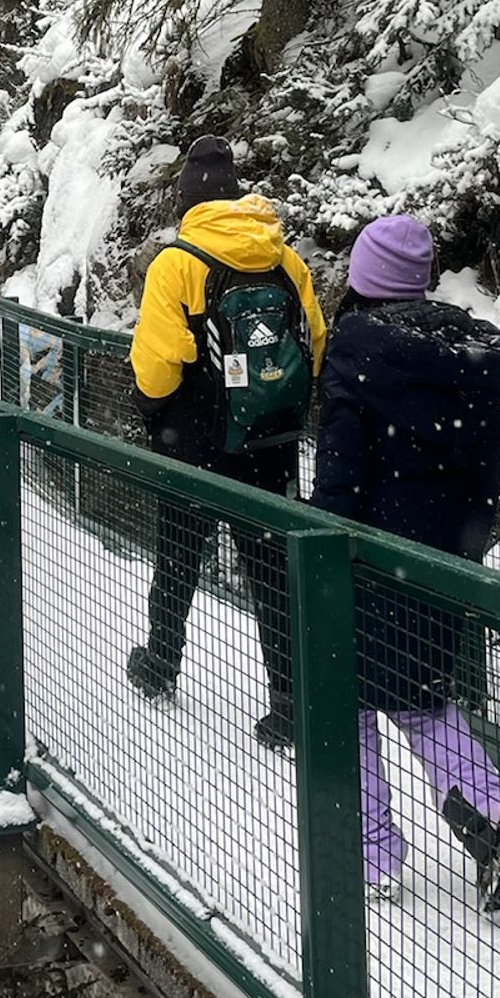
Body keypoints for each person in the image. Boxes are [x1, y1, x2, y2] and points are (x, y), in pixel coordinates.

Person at [310, 214, 500, 913]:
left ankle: (372, 856)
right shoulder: (471, 346)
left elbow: (342, 468)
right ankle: (494, 815)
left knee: (343, 701)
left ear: (364, 278)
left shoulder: (356, 346)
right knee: (421, 698)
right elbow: (487, 463)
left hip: (369, 555)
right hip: (443, 559)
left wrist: (324, 539)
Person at [125, 135, 325, 747]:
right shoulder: (285, 260)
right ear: (238, 196)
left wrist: (150, 409)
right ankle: (290, 701)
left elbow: (159, 365)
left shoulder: (178, 263)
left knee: (179, 553)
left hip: (196, 441)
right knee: (270, 567)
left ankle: (160, 664)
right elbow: (312, 345)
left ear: (188, 201)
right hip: (269, 439)